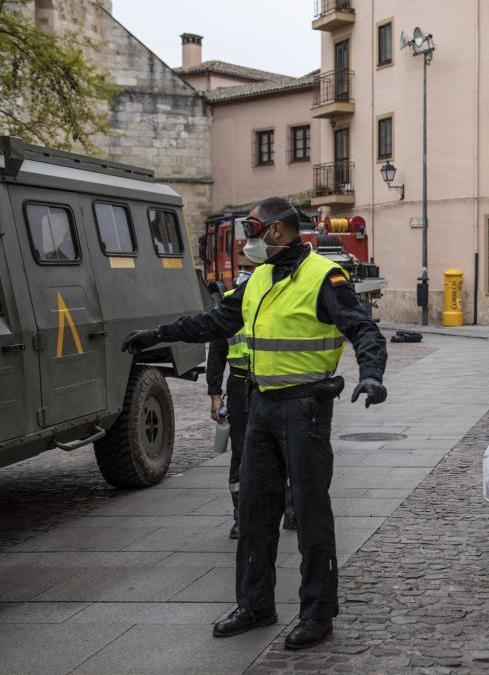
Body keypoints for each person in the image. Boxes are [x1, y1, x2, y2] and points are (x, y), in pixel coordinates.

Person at [121, 197, 388, 650]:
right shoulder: (258, 277)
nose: (250, 240)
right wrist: (160, 334)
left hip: (305, 410)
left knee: (309, 514)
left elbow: (363, 328)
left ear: (278, 232)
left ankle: (318, 613)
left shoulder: (325, 276)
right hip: (261, 407)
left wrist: (373, 374)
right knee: (253, 512)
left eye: (254, 230)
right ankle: (255, 605)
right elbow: (217, 321)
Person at [207, 258, 297, 539]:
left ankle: (284, 511)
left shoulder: (266, 300)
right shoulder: (237, 303)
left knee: (274, 448)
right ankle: (244, 516)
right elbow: (216, 353)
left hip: (268, 383)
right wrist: (214, 395)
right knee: (248, 451)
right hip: (244, 384)